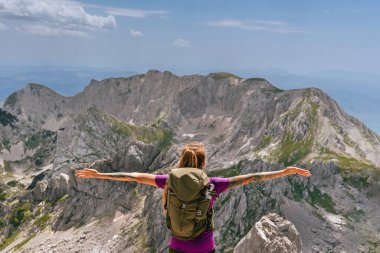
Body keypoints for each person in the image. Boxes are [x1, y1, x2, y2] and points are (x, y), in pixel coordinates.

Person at [75, 142, 311, 253]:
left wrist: (100, 174)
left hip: (177, 246)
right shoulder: (212, 186)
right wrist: (285, 171)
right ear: (203, 163)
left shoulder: (169, 182)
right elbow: (251, 177)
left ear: (182, 162)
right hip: (205, 246)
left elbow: (134, 176)